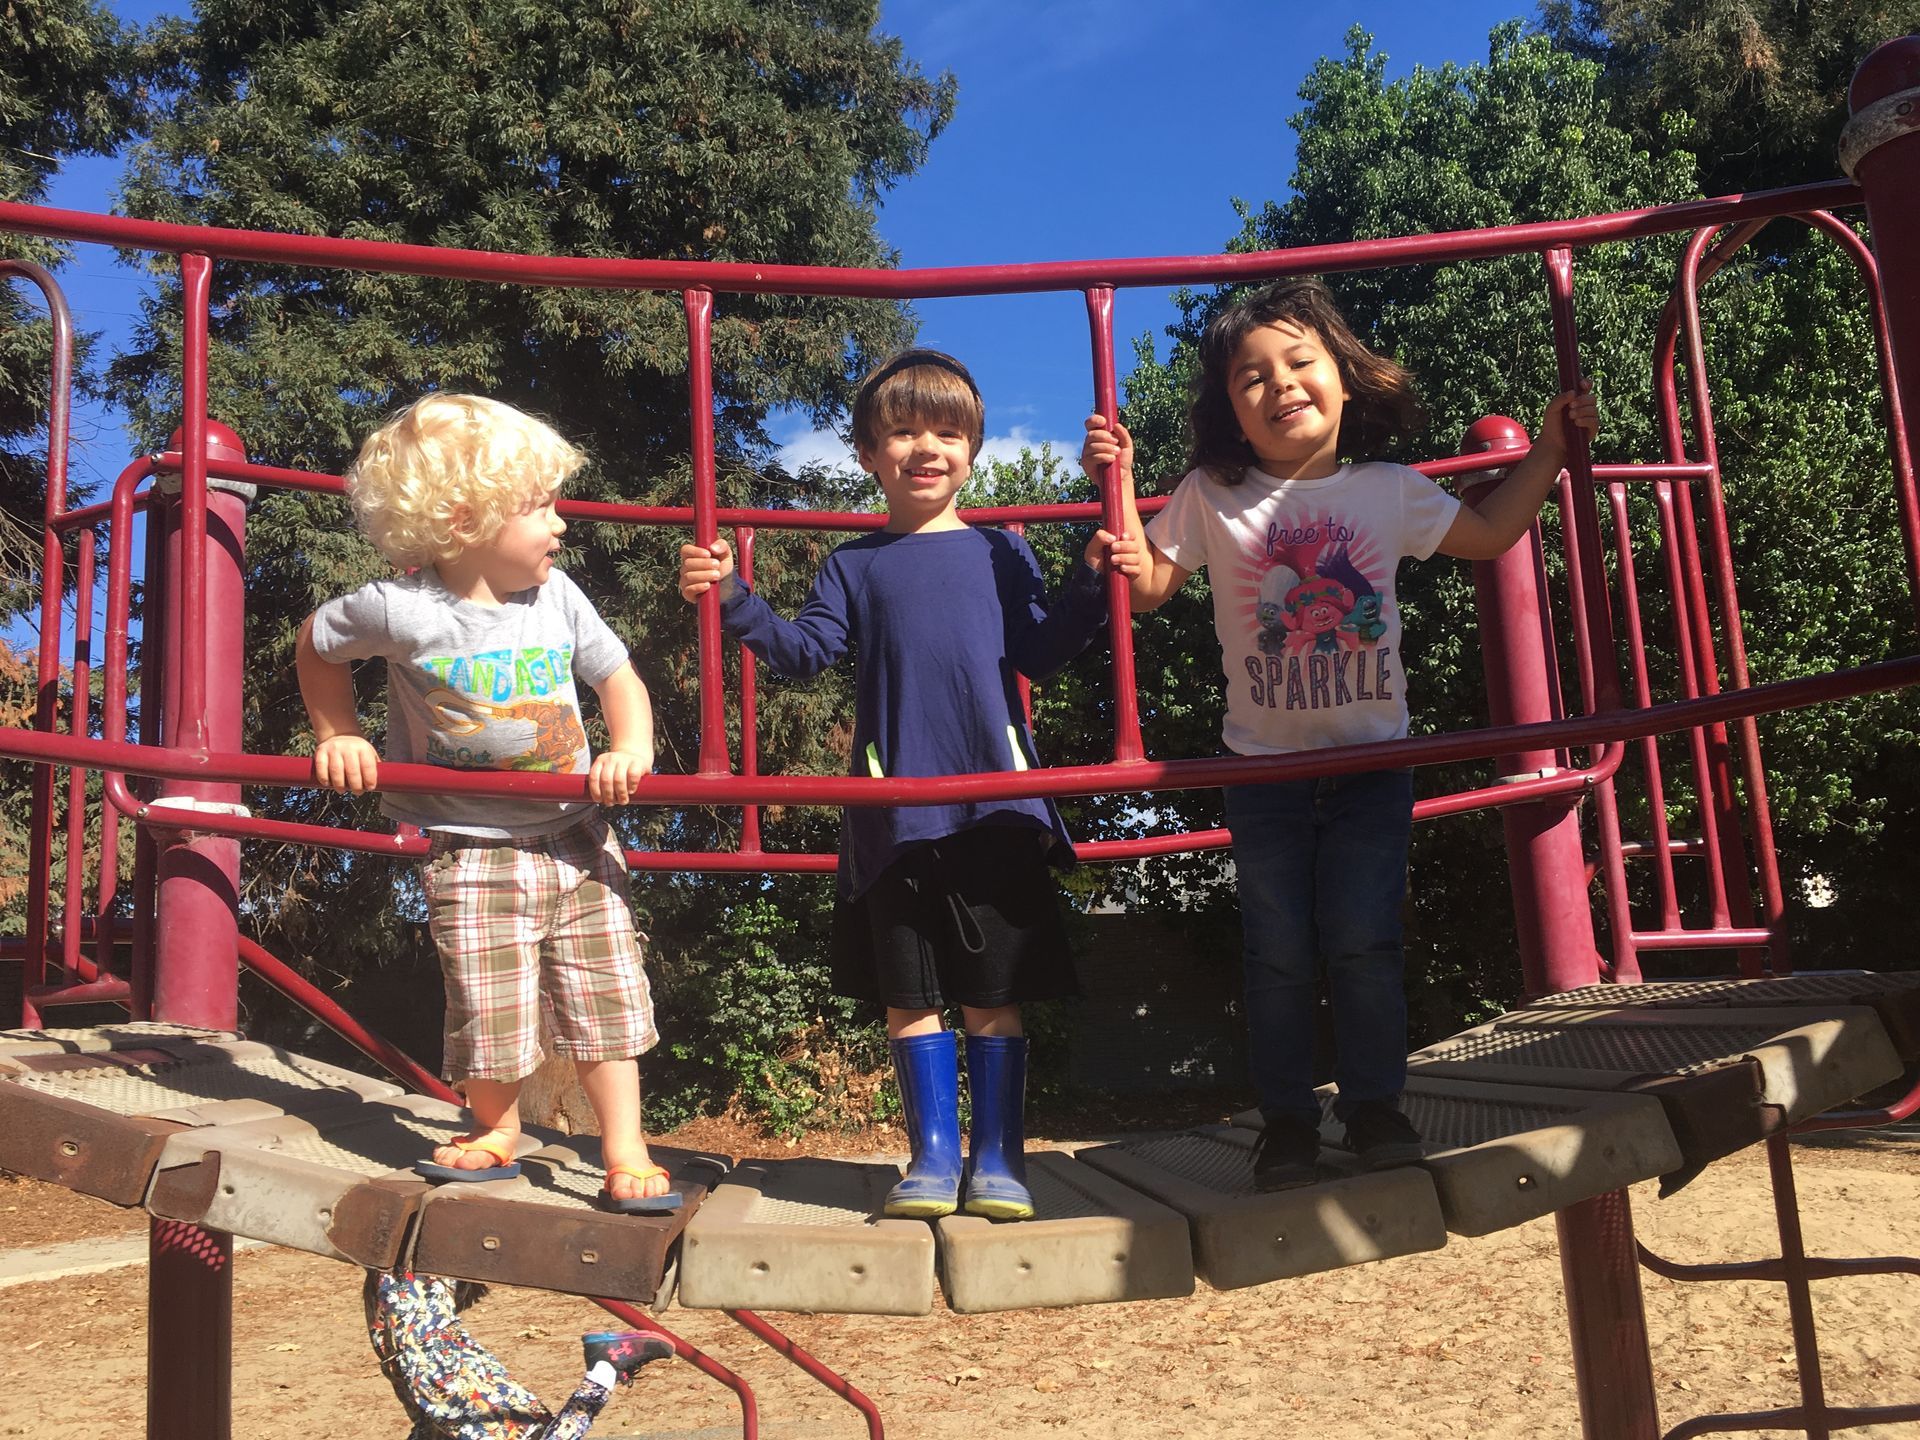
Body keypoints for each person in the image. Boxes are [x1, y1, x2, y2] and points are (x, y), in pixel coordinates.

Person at [1081, 279, 1598, 1191]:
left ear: (1343, 380)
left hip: (1371, 764)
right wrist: (1113, 491)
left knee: (1363, 941)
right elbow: (1150, 585)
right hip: (1264, 769)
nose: (1278, 385)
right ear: (1230, 412)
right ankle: (1286, 1123)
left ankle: (1372, 1107)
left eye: (1298, 362)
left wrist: (1551, 452)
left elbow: (1488, 534)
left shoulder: (1388, 491)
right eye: (1251, 378)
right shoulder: (1215, 493)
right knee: (1276, 951)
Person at [678, 349, 1142, 1221]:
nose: (925, 448)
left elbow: (1042, 649)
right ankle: (931, 1157)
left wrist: (1089, 577)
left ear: (973, 448)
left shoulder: (1004, 553)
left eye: (946, 431)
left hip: (996, 802)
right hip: (893, 813)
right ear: (866, 455)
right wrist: (734, 598)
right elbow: (804, 650)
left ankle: (998, 1158)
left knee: (993, 997)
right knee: (908, 996)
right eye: (901, 432)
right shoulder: (854, 566)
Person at [296, 394, 676, 1213]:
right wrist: (339, 732)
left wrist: (630, 748)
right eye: (539, 506)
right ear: (466, 519)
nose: (561, 524)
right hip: (470, 843)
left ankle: (625, 1146)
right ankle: (495, 1128)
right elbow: (317, 643)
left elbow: (617, 677)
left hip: (578, 837)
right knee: (487, 996)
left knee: (607, 991)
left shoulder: (560, 597)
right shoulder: (401, 609)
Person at [364, 1269, 675, 1439]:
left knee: (417, 1250)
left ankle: (605, 1363)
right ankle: (605, 1363)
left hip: (428, 1360)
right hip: (418, 1356)